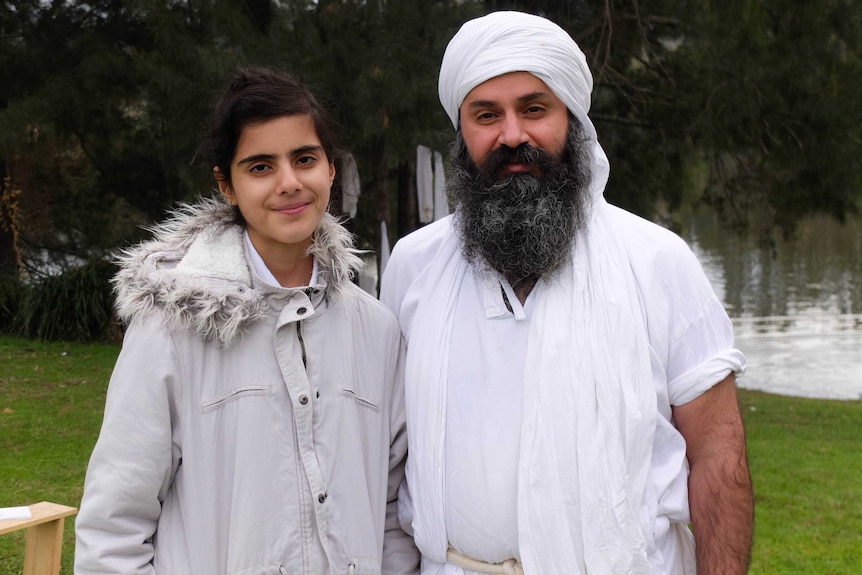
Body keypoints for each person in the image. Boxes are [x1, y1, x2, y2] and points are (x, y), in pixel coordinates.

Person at [380, 11, 753, 575]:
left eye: (534, 109)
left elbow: (718, 459)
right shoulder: (413, 266)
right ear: (461, 132)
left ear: (572, 120)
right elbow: (390, 461)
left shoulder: (656, 262)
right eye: (486, 115)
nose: (512, 135)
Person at [75, 67, 420, 575]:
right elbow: (113, 530)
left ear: (331, 169)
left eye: (305, 159)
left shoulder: (377, 330)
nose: (289, 183)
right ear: (227, 185)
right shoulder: (172, 329)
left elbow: (392, 511)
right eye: (260, 166)